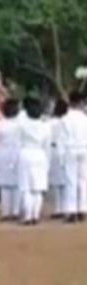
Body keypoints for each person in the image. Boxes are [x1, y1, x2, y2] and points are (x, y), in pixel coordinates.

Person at [17, 98, 51, 225]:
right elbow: (47, 146)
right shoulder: (46, 127)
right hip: (40, 155)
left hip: (25, 154)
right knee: (38, 189)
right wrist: (47, 162)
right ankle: (35, 215)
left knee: (26, 188)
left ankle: (27, 216)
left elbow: (18, 143)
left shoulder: (22, 126)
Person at [0, 99, 21, 221]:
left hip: (2, 154)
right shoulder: (20, 125)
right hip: (16, 153)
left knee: (5, 186)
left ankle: (6, 212)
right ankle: (16, 211)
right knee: (16, 185)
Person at [59, 92, 87, 223]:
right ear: (81, 103)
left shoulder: (65, 119)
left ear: (70, 102)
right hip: (84, 149)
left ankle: (71, 211)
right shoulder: (84, 118)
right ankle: (83, 209)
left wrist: (61, 157)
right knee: (83, 180)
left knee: (71, 180)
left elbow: (61, 140)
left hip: (70, 149)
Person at [49, 99, 69, 219]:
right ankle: (66, 207)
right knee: (66, 181)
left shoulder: (51, 122)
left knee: (56, 183)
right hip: (66, 150)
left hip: (53, 150)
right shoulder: (66, 122)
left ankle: (58, 208)